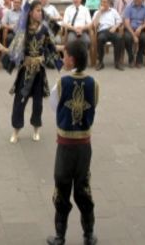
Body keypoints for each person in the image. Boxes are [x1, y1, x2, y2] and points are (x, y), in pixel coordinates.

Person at [46, 40, 98, 245]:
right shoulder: (94, 83)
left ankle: (60, 236)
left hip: (66, 145)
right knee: (83, 187)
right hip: (85, 145)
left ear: (72, 59)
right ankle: (89, 235)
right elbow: (94, 108)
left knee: (61, 187)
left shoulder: (62, 83)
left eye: (65, 55)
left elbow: (54, 106)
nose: (63, 58)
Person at [0, 0, 62, 143]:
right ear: (30, 13)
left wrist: (63, 52)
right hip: (26, 70)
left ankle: (36, 128)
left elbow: (52, 46)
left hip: (39, 71)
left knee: (38, 102)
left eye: (41, 10)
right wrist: (3, 49)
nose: (41, 13)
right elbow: (14, 48)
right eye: (38, 10)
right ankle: (16, 130)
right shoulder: (23, 30)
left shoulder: (44, 29)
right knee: (19, 100)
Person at [93, 0, 124, 71]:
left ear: (109, 3)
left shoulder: (113, 11)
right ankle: (100, 62)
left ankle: (117, 62)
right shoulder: (97, 12)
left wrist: (115, 27)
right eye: (102, 2)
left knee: (119, 38)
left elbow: (120, 21)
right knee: (100, 39)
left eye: (105, 2)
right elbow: (95, 25)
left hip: (112, 30)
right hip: (102, 31)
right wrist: (100, 12)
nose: (103, 4)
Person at [123, 0, 145, 68]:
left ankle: (139, 57)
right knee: (127, 38)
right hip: (130, 28)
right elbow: (126, 23)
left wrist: (140, 28)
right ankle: (131, 57)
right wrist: (133, 35)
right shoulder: (128, 7)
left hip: (140, 29)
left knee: (144, 38)